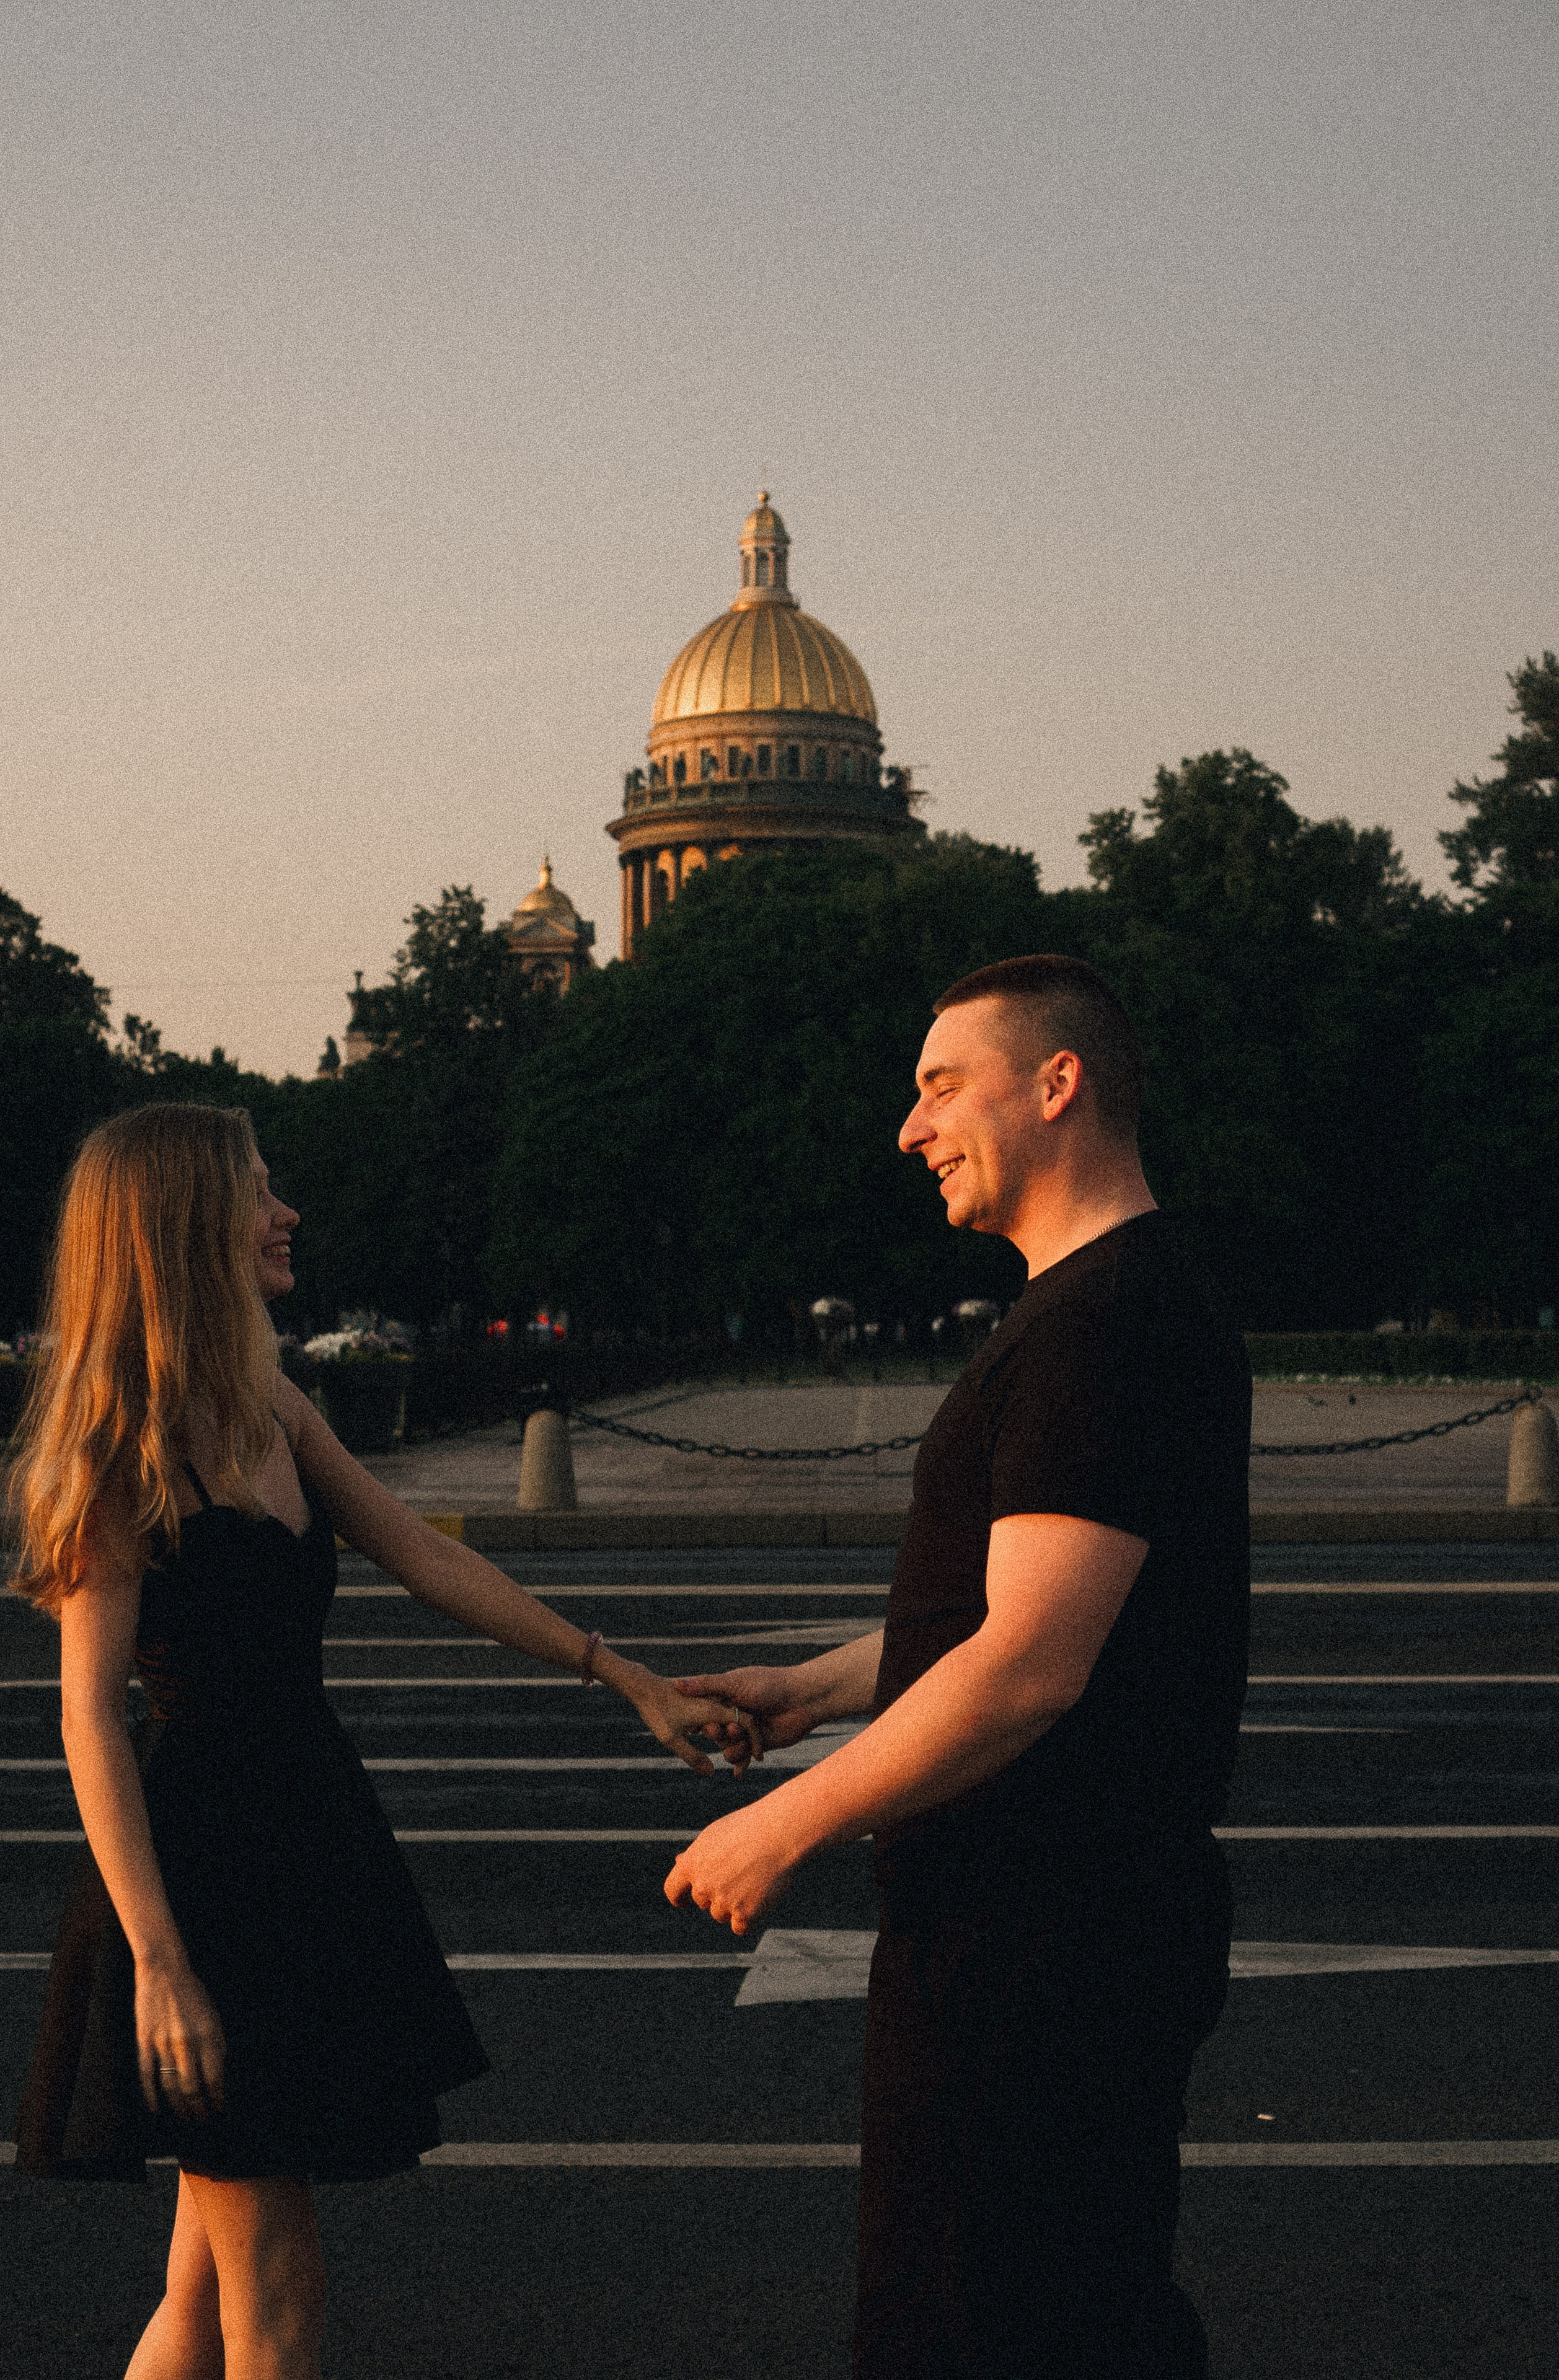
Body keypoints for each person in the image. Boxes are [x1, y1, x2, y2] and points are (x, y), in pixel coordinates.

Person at [10, 1103, 742, 2380]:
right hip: (206, 1879)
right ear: (187, 1224)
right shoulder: (116, 1443)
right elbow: (88, 1716)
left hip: (302, 1843)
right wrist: (161, 1964)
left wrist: (626, 1678)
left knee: (203, 2287)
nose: (285, 1213)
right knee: (275, 2302)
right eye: (258, 1190)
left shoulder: (270, 1406)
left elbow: (419, 1558)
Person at [667, 954, 1251, 2379]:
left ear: (1056, 1087)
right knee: (1076, 2316)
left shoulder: (1097, 1326)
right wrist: (800, 1691)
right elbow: (998, 1620)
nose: (908, 1129)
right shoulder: (1102, 1307)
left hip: (1038, 1937)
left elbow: (1029, 1667)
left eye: (939, 1087)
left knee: (990, 2326)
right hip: (1059, 1927)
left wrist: (784, 1821)